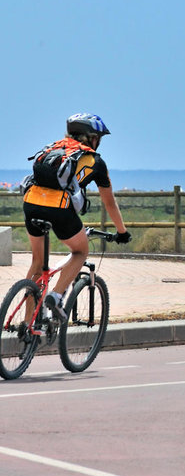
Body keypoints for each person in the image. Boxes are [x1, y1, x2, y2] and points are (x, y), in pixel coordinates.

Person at [22, 113, 130, 325]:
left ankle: (26, 325)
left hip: (30, 204)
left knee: (37, 263)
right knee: (80, 251)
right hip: (59, 209)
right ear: (90, 138)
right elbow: (110, 203)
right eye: (98, 138)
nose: (98, 143)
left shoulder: (53, 148)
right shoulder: (95, 162)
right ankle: (56, 295)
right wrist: (122, 232)